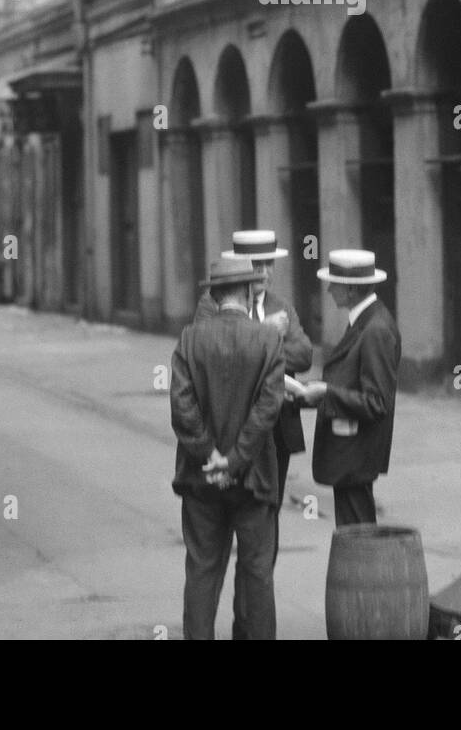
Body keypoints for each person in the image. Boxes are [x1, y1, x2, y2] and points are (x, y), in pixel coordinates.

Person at [195, 228, 312, 640]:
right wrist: (266, 336)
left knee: (261, 547)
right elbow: (213, 353)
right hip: (233, 438)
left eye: (269, 264)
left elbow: (305, 354)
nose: (263, 272)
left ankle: (247, 624)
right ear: (241, 270)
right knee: (221, 546)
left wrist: (273, 336)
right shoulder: (211, 307)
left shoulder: (282, 306)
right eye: (256, 265)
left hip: (272, 439)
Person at [171, 253, 285, 640]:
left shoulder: (190, 339)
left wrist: (211, 457)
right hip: (253, 479)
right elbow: (269, 408)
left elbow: (182, 409)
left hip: (200, 478)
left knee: (202, 570)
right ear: (248, 289)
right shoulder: (268, 339)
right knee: (257, 575)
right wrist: (235, 460)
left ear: (216, 295)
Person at [303, 248, 401, 527]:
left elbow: (376, 402)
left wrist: (326, 392)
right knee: (354, 531)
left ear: (350, 290)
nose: (330, 290)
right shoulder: (366, 321)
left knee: (357, 535)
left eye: (334, 284)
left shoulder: (375, 329)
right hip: (351, 452)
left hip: (357, 452)